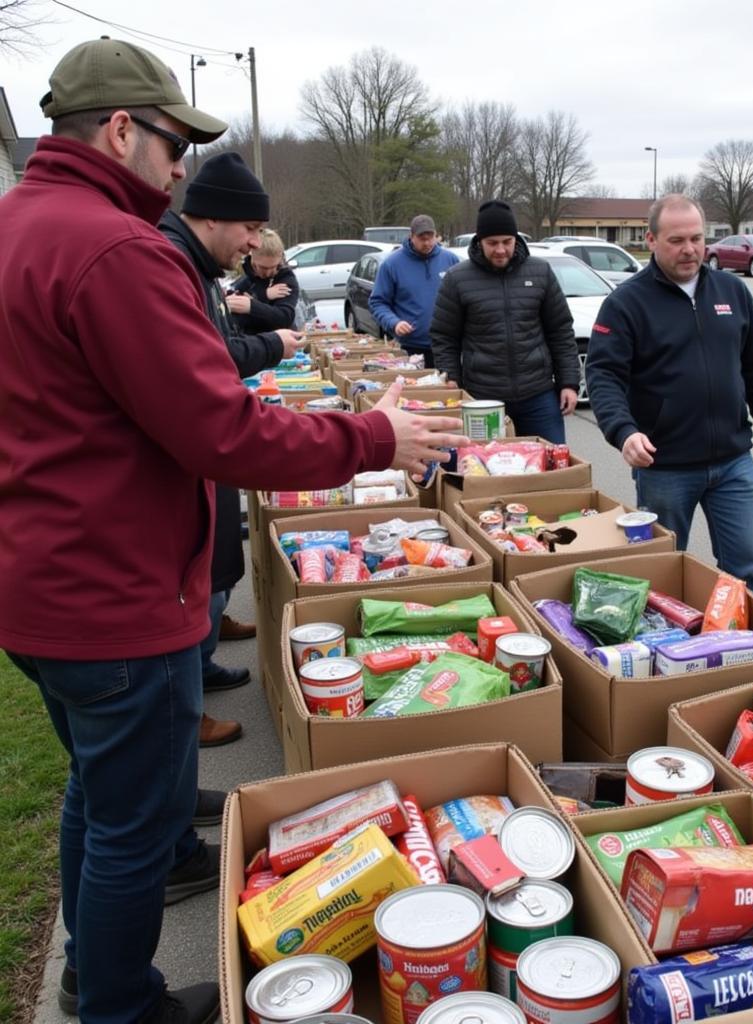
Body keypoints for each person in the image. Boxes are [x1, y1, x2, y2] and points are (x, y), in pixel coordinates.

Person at [0, 37, 465, 1024]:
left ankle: (93, 973)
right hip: (113, 590)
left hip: (40, 580)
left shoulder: (21, 223)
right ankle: (120, 1003)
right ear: (122, 129)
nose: (179, 170)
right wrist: (375, 432)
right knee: (135, 824)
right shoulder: (117, 250)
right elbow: (219, 427)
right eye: (174, 144)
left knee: (97, 796)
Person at [160, 152, 306, 720]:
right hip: (189, 464)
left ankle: (199, 669)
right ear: (214, 218)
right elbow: (207, 364)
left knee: (217, 559)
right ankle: (185, 714)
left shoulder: (198, 269)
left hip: (201, 459)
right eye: (249, 229)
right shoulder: (173, 265)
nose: (253, 243)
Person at [586, 195, 753, 592]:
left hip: (732, 461)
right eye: (677, 240)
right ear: (651, 240)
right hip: (665, 466)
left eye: (697, 238)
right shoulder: (626, 303)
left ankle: (739, 647)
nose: (690, 249)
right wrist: (624, 432)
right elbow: (603, 374)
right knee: (664, 570)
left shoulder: (733, 291)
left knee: (744, 564)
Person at [431, 200, 580, 442]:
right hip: (483, 397)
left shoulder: (540, 272)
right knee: (488, 469)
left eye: (506, 242)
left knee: (550, 469)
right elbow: (444, 336)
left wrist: (569, 382)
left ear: (516, 239)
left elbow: (560, 331)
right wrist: (452, 379)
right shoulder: (457, 279)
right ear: (480, 241)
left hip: (538, 394)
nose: (500, 250)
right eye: (492, 243)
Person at [369, 214, 459, 368]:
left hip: (447, 346)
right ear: (411, 237)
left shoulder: (451, 260)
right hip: (411, 347)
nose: (427, 243)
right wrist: (394, 322)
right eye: (421, 238)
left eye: (430, 237)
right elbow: (377, 302)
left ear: (436, 235)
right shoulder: (392, 265)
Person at [227, 227, 300, 333]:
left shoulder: (286, 279)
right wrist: (263, 295)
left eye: (274, 266)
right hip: (247, 341)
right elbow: (231, 302)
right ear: (252, 257)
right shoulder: (248, 276)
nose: (269, 272)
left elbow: (285, 318)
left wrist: (251, 306)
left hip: (277, 343)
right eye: (263, 267)